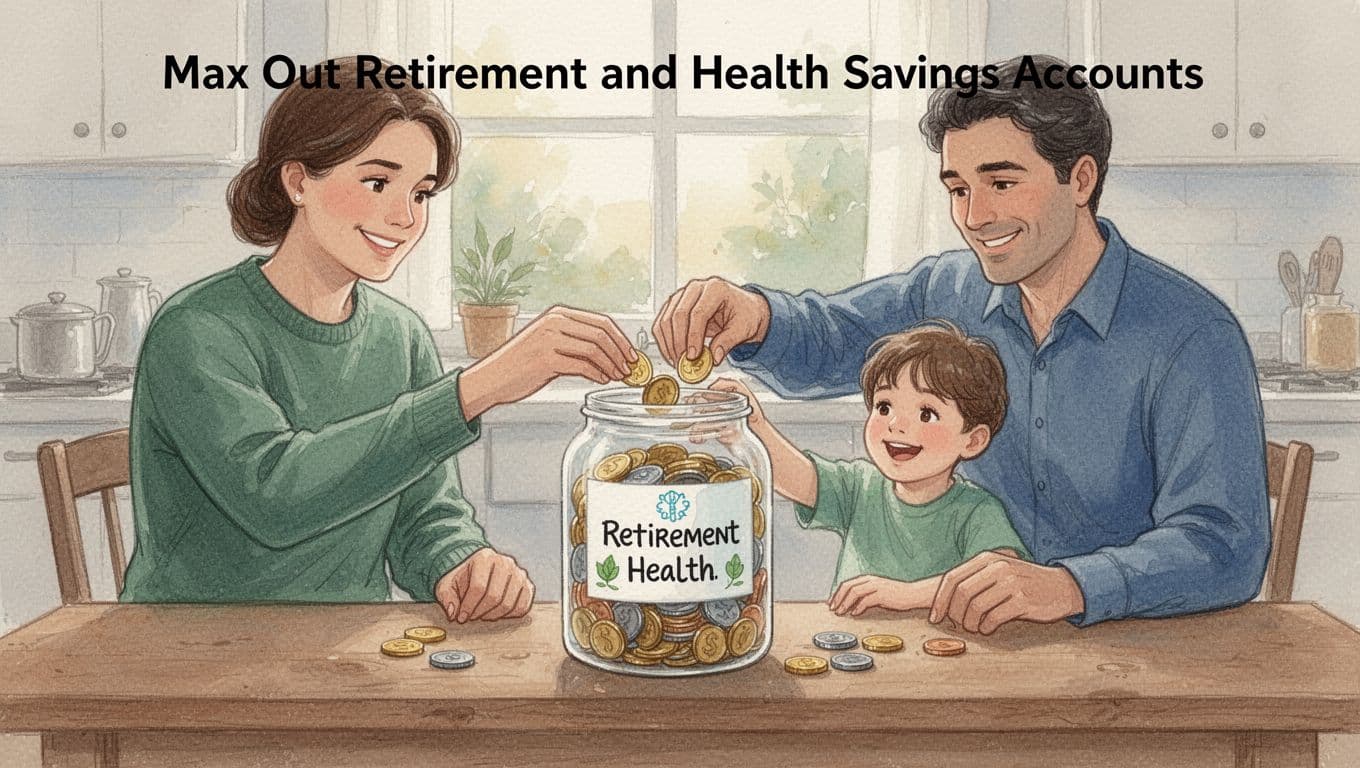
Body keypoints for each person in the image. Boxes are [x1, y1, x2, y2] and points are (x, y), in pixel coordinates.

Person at [654, 54, 1269, 634]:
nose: (974, 217)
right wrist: (756, 316)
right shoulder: (947, 291)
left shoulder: (1192, 334)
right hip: (964, 648)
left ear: (1080, 179)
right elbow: (837, 336)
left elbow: (1224, 544)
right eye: (958, 188)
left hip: (1131, 656)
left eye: (1001, 183)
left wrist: (1069, 587)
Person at [120, 57, 639, 624]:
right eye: (377, 182)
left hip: (350, 647)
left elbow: (424, 516)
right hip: (184, 648)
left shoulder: (400, 335)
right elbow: (274, 498)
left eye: (420, 193)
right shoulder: (197, 328)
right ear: (298, 182)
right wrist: (476, 388)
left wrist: (461, 563)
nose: (405, 217)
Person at [711, 321, 1029, 618]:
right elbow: (798, 477)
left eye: (926, 413)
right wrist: (755, 426)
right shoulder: (861, 485)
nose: (896, 424)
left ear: (973, 441)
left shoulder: (978, 511)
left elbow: (1002, 579)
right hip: (855, 644)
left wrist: (905, 595)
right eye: (884, 406)